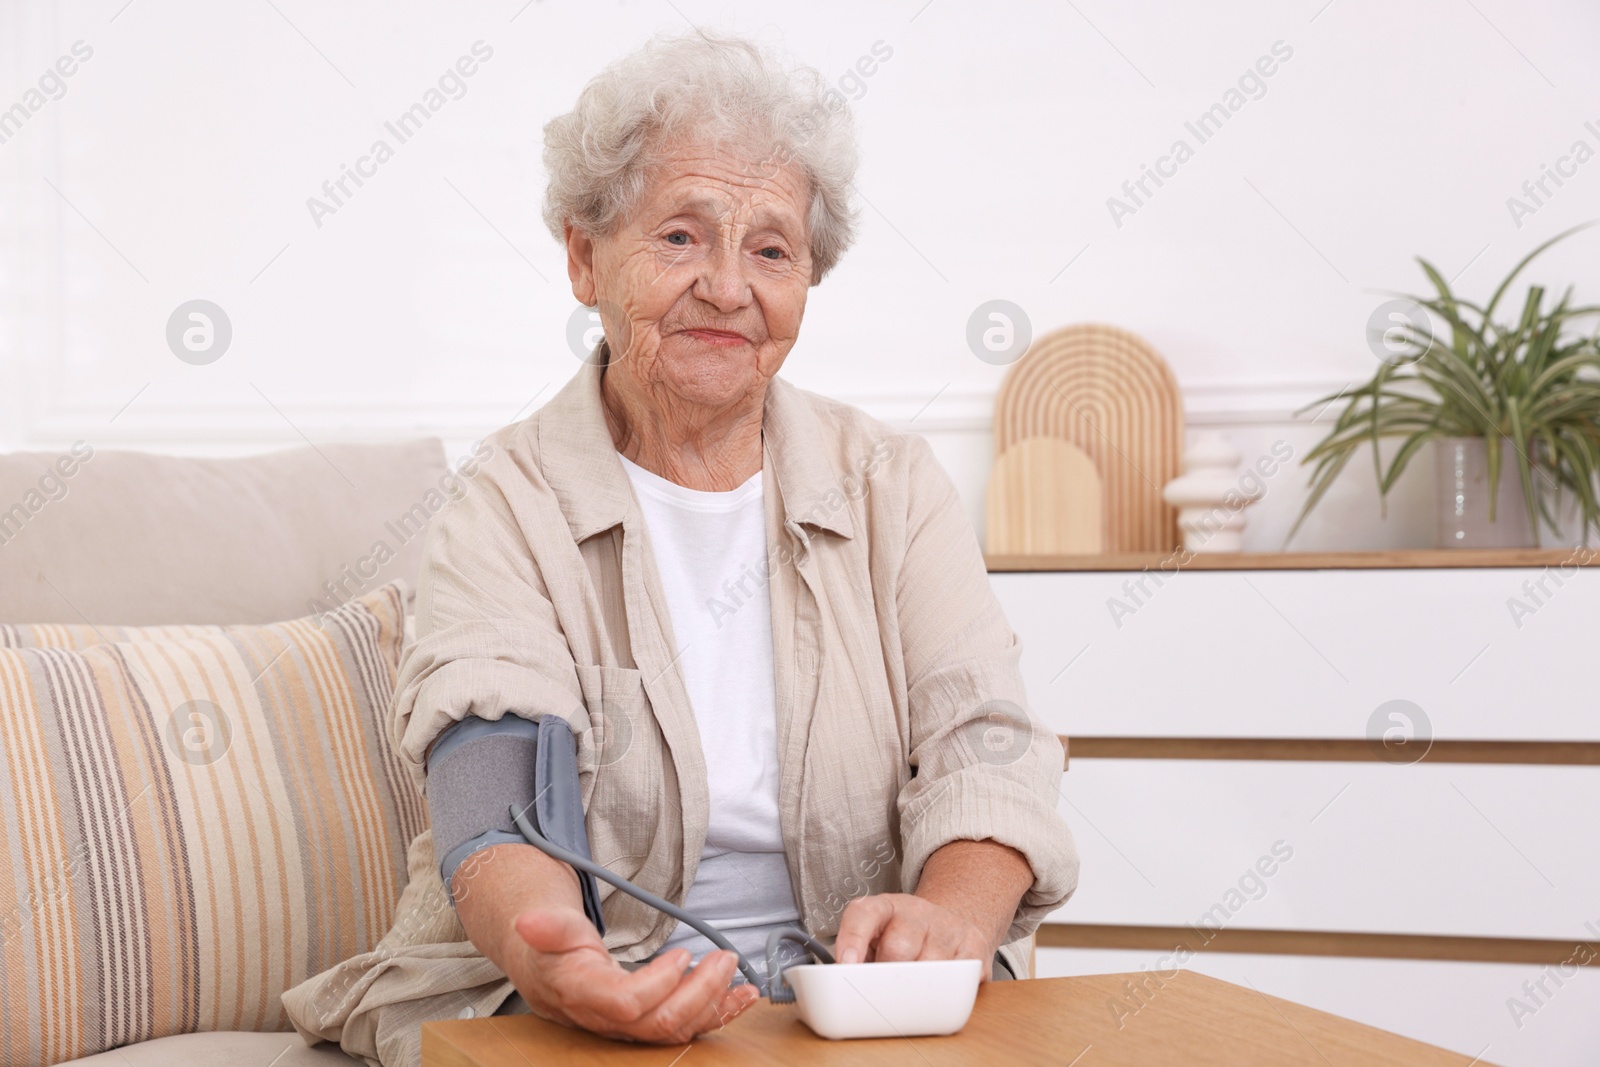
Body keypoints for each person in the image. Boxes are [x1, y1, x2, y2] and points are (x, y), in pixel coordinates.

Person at [283, 30, 1077, 1065]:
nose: (726, 286)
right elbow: (489, 779)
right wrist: (550, 953)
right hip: (565, 991)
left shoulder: (893, 485)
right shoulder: (506, 500)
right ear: (584, 258)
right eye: (680, 237)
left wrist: (951, 918)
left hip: (848, 996)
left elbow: (988, 741)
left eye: (770, 249)